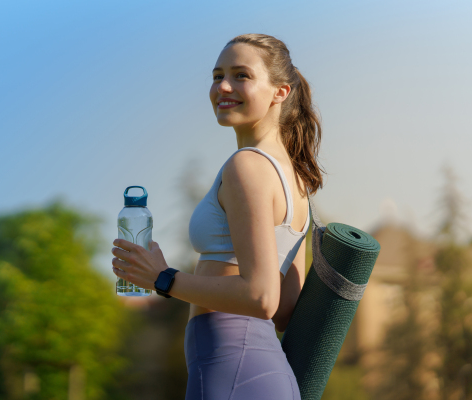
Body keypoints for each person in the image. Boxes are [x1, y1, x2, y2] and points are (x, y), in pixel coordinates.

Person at [111, 33, 325, 399]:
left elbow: (261, 298)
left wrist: (162, 277)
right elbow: (285, 309)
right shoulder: (296, 181)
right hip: (262, 371)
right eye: (216, 75)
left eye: (241, 75)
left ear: (280, 92)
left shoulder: (248, 167)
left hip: (232, 370)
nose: (223, 86)